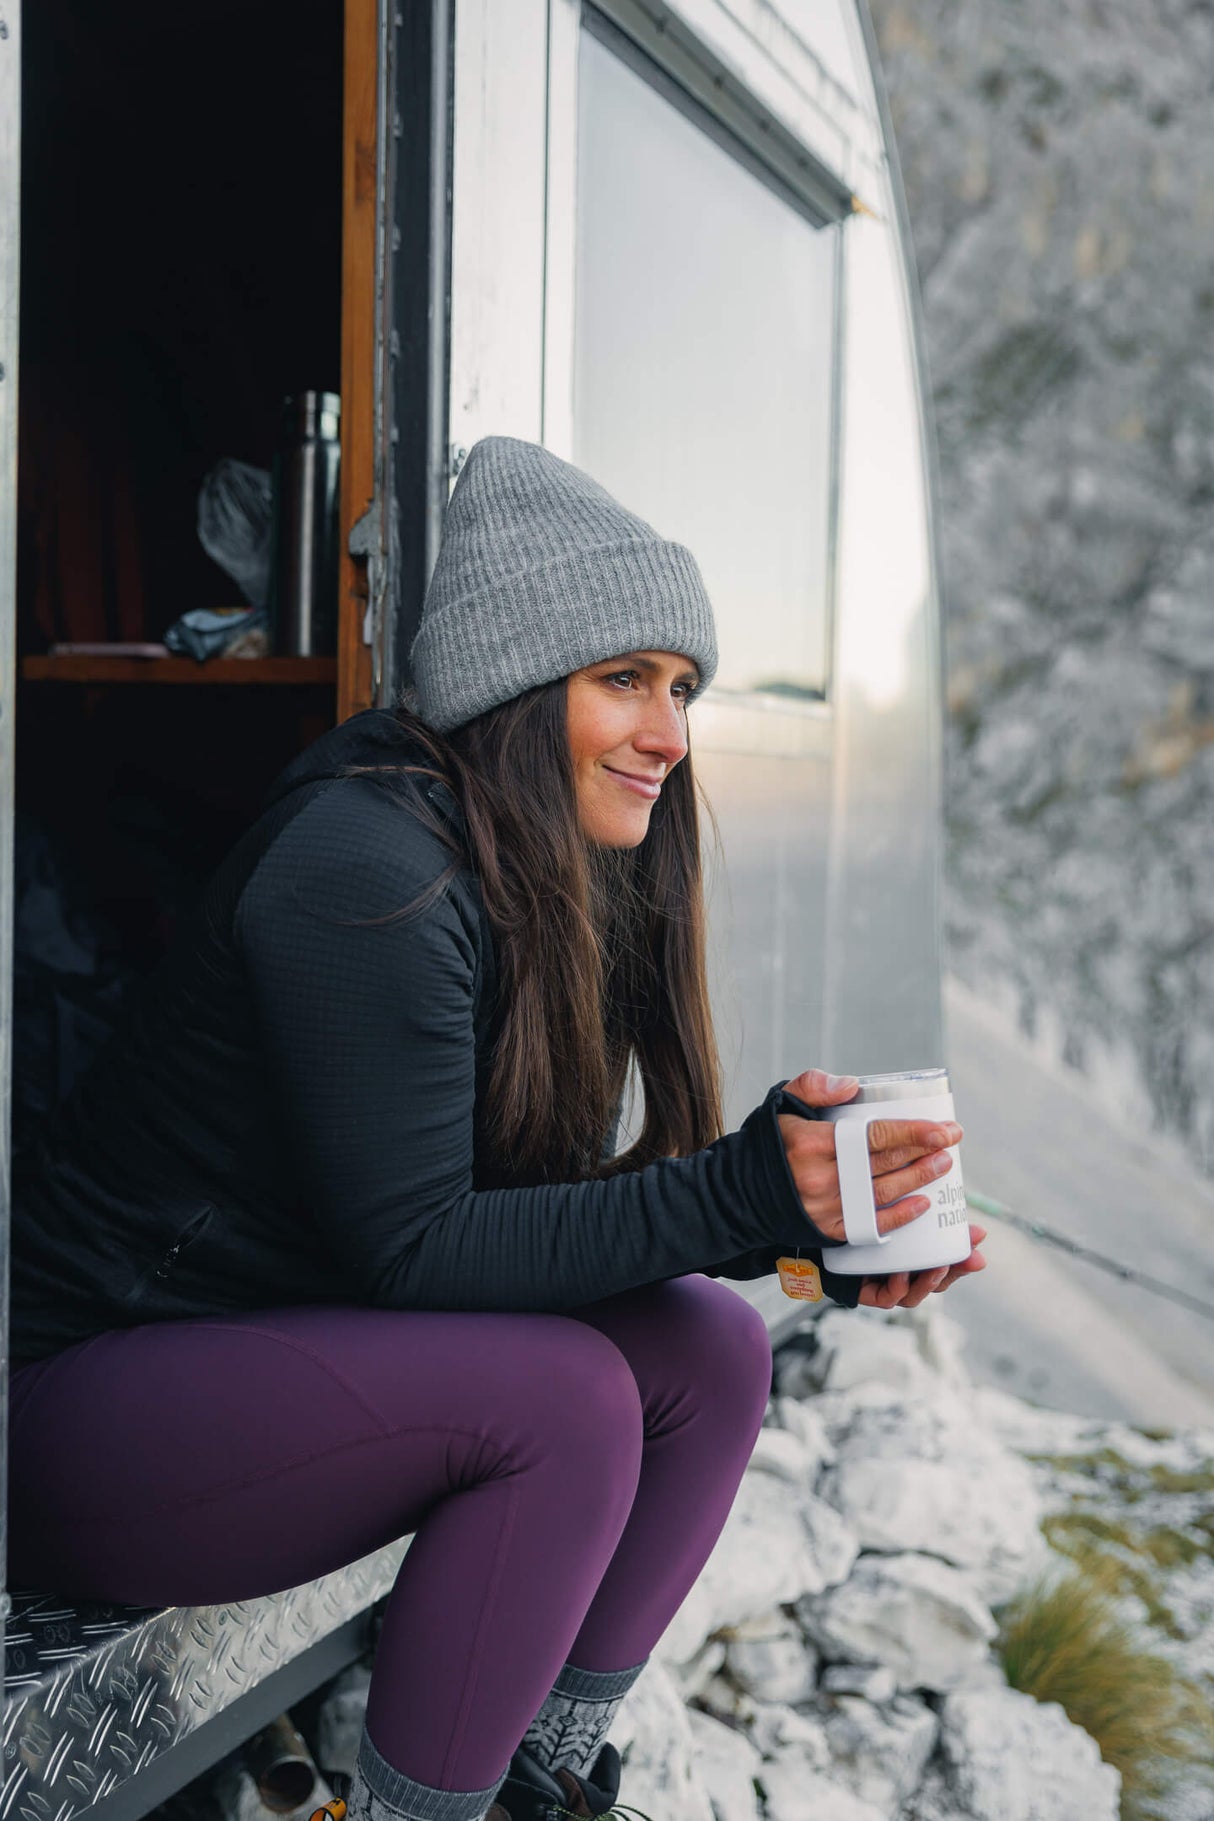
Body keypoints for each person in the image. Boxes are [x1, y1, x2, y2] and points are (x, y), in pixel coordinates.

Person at [7, 437, 986, 1821]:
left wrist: (802, 1231)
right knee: (560, 1403)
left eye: (682, 687)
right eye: (626, 679)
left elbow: (516, 1222)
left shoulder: (521, 865)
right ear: (516, 684)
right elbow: (417, 1252)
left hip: (252, 1347)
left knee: (705, 1349)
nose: (671, 732)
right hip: (69, 1404)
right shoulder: (362, 868)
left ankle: (540, 1772)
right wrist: (739, 1195)